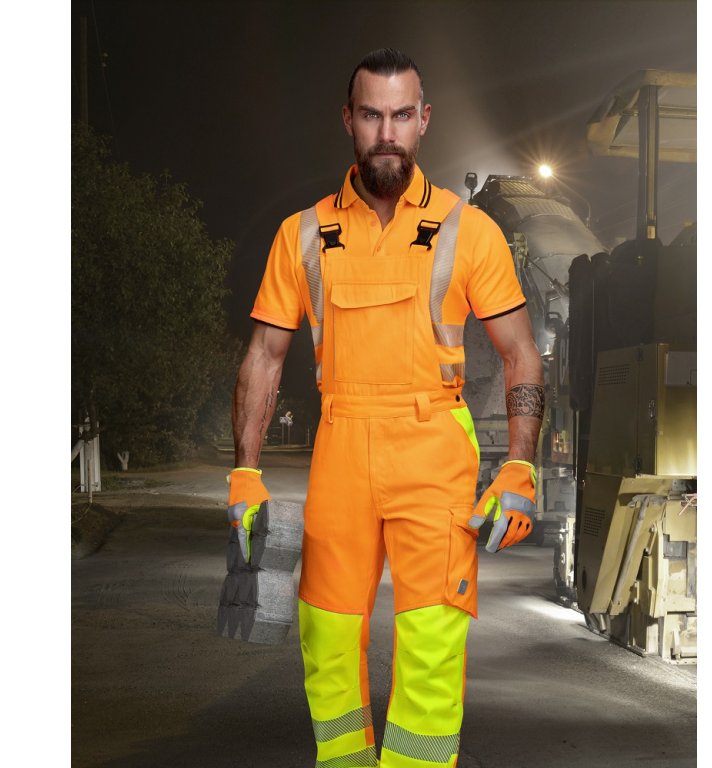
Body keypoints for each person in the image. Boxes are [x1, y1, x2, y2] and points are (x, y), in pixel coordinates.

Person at [229, 48, 543, 768]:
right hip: (340, 442)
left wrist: (520, 465)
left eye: (402, 115)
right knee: (326, 633)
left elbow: (523, 352)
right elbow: (264, 357)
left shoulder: (469, 230)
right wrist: (244, 474)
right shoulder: (303, 233)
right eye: (372, 115)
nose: (387, 132)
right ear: (348, 119)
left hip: (433, 445)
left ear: (424, 120)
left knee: (431, 639)